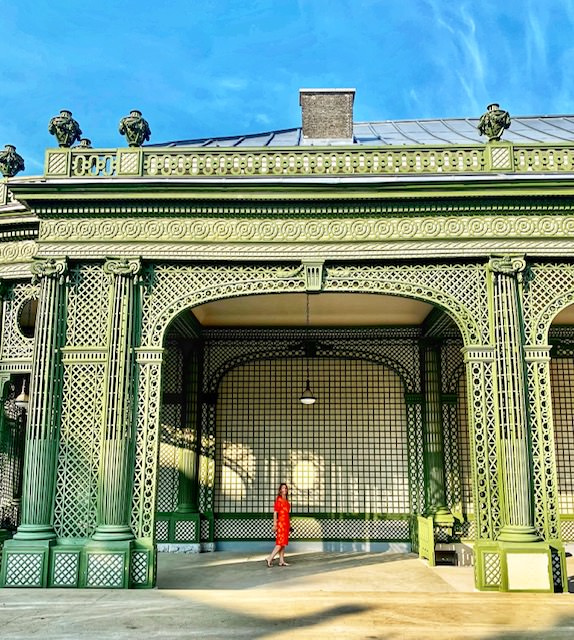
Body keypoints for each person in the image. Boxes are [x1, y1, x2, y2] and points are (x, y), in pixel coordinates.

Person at [266, 483, 291, 567]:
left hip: (286, 523)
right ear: (280, 490)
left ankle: (281, 561)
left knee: (283, 544)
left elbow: (287, 513)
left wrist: (289, 525)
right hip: (281, 524)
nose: (285, 489)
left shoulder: (286, 501)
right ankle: (270, 558)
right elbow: (275, 513)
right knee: (280, 543)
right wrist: (274, 524)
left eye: (286, 488)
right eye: (283, 488)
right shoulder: (278, 500)